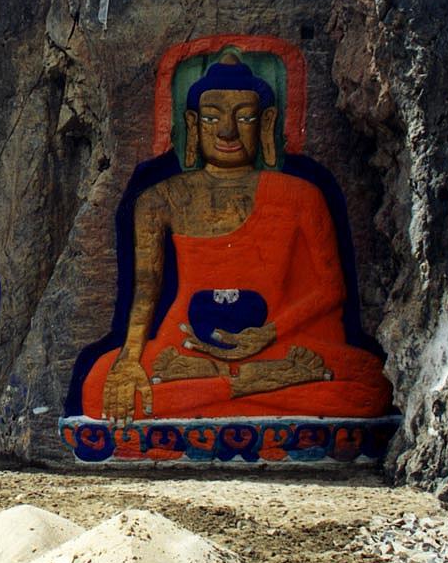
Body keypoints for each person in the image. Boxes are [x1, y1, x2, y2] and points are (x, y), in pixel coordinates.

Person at [72, 52, 390, 424]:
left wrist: (268, 334)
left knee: (374, 385)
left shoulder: (300, 195)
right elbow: (146, 290)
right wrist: (129, 360)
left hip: (277, 344)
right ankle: (257, 383)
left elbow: (331, 289)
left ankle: (229, 384)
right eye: (211, 118)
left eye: (244, 117)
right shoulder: (160, 198)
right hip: (187, 348)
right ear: (192, 124)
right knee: (97, 387)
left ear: (267, 122)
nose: (227, 131)